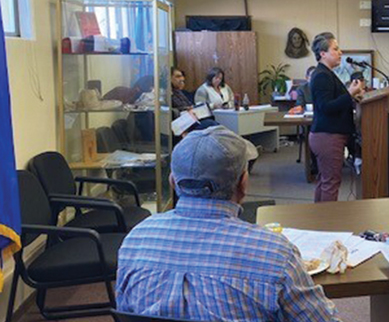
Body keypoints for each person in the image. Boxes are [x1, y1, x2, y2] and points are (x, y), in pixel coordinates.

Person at [116, 126, 340, 321]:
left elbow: (127, 311)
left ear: (172, 182)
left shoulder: (136, 240)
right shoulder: (274, 253)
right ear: (244, 183)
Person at [309, 32, 365, 203]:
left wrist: (352, 96)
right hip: (328, 136)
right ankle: (327, 225)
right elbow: (326, 107)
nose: (340, 52)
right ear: (323, 53)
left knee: (325, 181)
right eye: (336, 49)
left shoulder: (326, 73)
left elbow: (333, 101)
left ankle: (320, 219)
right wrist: (350, 94)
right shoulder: (321, 75)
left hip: (328, 134)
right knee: (331, 183)